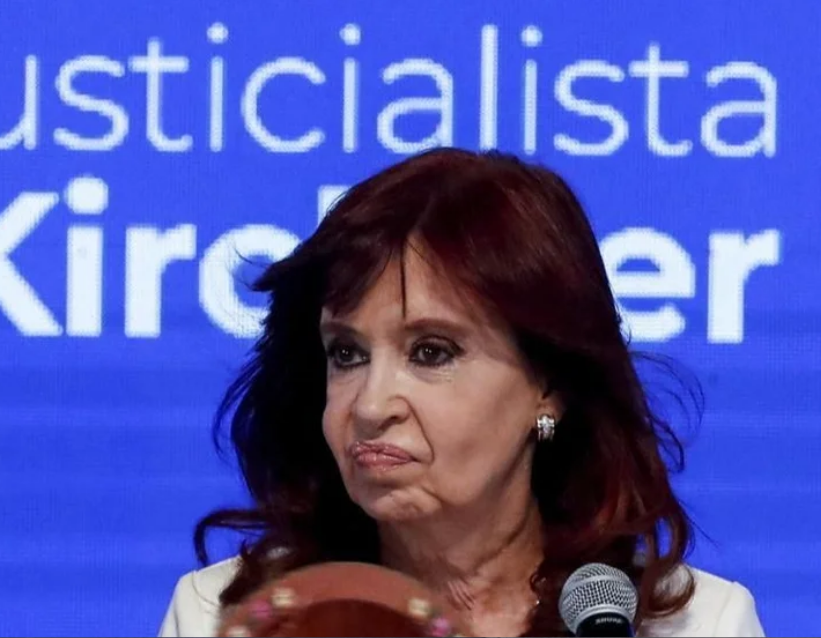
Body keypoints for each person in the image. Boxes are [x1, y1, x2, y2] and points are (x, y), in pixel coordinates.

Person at [158, 148, 765, 637]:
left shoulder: (696, 627)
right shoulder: (226, 619)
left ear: (548, 385)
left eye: (431, 353)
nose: (370, 406)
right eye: (346, 354)